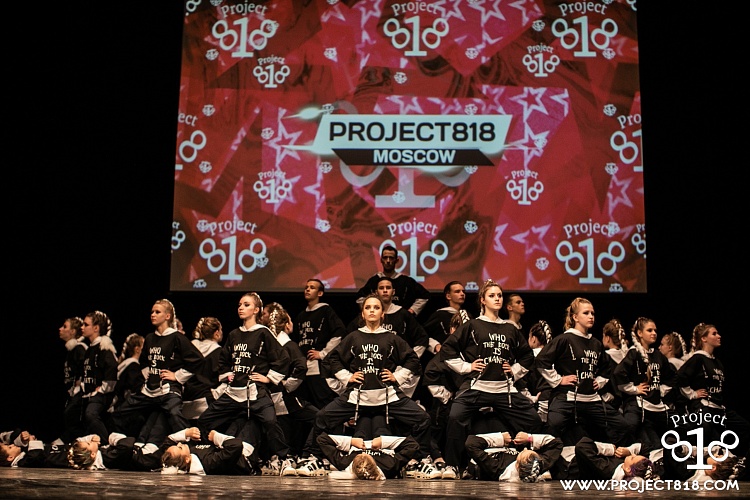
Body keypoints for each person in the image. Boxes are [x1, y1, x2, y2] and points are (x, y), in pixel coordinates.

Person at [313, 294, 434, 474]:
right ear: (362, 314)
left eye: (376, 308)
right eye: (368, 307)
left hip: (387, 396)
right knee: (322, 417)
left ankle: (418, 460)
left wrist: (397, 376)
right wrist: (347, 377)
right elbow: (332, 359)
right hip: (357, 396)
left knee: (423, 419)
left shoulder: (391, 338)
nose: (372, 311)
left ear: (382, 314)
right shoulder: (353, 337)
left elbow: (413, 360)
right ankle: (313, 457)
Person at [439, 279, 543, 479]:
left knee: (533, 419)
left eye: (499, 295)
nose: (497, 299)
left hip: (504, 390)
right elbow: (448, 349)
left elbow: (527, 356)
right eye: (492, 295)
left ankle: (532, 463)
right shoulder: (472, 326)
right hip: (478, 387)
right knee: (455, 417)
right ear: (482, 300)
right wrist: (467, 367)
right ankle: (452, 466)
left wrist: (514, 370)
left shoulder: (510, 328)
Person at [197, 292, 294, 475]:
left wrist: (268, 378)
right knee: (205, 419)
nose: (241, 307)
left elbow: (282, 358)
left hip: (255, 392)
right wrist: (228, 375)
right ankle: (205, 455)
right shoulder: (234, 334)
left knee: (270, 422)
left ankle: (284, 458)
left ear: (256, 310)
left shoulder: (263, 332)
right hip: (234, 392)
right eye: (240, 304)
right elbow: (224, 359)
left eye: (246, 304)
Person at [535, 297, 630, 447]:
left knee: (622, 425)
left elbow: (606, 368)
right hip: (568, 396)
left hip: (591, 399)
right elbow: (541, 360)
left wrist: (599, 382)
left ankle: (610, 455)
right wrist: (558, 380)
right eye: (586, 313)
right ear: (575, 317)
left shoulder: (596, 343)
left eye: (592, 313)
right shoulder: (565, 339)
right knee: (554, 425)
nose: (591, 316)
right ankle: (550, 457)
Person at [112, 299, 204, 439]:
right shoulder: (150, 338)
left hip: (168, 389)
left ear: (167, 316)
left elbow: (198, 360)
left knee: (175, 415)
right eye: (152, 312)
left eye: (157, 312)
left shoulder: (177, 337)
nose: (153, 315)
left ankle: (188, 446)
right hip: (149, 390)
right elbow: (143, 361)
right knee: (119, 413)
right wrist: (147, 376)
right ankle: (120, 443)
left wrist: (177, 376)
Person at [262, 302, 321, 474]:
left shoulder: (266, 344)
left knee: (283, 428)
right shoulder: (289, 345)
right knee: (319, 417)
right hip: (283, 397)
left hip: (269, 396)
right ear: (287, 324)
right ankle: (305, 455)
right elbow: (301, 366)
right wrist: (288, 385)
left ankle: (282, 458)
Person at [675, 323, 750, 456]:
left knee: (744, 426)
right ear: (704, 338)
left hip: (718, 407)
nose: (719, 336)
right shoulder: (698, 358)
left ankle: (737, 458)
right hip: (705, 406)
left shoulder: (717, 362)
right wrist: (692, 394)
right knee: (706, 433)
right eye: (714, 334)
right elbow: (680, 377)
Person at [613, 317, 676, 451]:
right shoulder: (634, 353)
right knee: (630, 427)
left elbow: (672, 376)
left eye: (655, 330)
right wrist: (634, 389)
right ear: (640, 333)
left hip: (656, 406)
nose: (654, 333)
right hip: (639, 405)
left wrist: (660, 390)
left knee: (678, 426)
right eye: (649, 330)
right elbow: (618, 373)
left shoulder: (658, 355)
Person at [293, 279, 348, 410]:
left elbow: (339, 332)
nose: (307, 289)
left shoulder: (325, 310)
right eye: (306, 287)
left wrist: (323, 353)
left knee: (323, 401)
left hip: (318, 368)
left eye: (312, 287)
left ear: (320, 293)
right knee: (304, 404)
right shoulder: (301, 315)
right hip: (303, 368)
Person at [68, 311, 118, 443]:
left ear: (96, 328)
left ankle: (106, 443)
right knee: (73, 413)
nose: (82, 327)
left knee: (90, 414)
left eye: (86, 324)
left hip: (101, 395)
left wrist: (103, 389)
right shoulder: (90, 348)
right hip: (88, 393)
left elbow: (112, 368)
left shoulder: (104, 347)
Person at [356, 245, 431, 317]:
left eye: (391, 258)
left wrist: (411, 311)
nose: (388, 261)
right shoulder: (374, 281)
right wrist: (369, 312)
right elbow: (360, 298)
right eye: (385, 257)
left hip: (400, 321)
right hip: (378, 320)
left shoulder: (406, 281)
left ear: (396, 260)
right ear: (381, 260)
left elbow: (424, 296)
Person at [316, 431, 426, 480]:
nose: (364, 453)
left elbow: (322, 439)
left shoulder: (344, 463)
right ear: (374, 463)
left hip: (360, 438)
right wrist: (383, 441)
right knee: (379, 417)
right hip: (381, 439)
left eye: (360, 455)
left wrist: (351, 441)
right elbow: (412, 445)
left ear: (353, 466)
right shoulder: (388, 466)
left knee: (364, 418)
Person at [463, 430, 563, 482]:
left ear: (518, 464)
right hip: (507, 448)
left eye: (524, 453)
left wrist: (500, 438)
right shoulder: (537, 465)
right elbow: (557, 443)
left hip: (489, 451)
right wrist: (529, 438)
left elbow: (471, 444)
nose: (525, 449)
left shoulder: (496, 467)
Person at [159, 427, 257, 475]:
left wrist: (186, 433)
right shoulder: (209, 462)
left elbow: (167, 443)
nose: (179, 443)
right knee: (251, 423)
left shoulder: (180, 459)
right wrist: (216, 437)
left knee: (238, 419)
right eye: (180, 448)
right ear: (187, 459)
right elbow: (236, 445)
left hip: (225, 445)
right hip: (245, 455)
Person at [182, 317, 224, 422]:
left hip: (185, 401)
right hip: (205, 404)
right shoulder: (220, 353)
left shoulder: (189, 348)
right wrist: (214, 395)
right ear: (217, 332)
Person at [573, 435, 663, 481]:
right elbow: (645, 448)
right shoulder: (638, 469)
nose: (633, 455)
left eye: (632, 458)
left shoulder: (606, 469)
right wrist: (629, 450)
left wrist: (610, 449)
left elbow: (582, 446)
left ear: (628, 469)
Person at [422, 281, 472, 356]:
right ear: (448, 296)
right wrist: (435, 346)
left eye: (463, 291)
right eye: (457, 291)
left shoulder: (468, 316)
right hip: (445, 356)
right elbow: (422, 334)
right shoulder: (440, 315)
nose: (462, 294)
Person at [58, 316, 87, 444]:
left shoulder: (79, 348)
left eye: (65, 327)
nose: (60, 329)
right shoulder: (71, 350)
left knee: (70, 414)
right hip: (72, 391)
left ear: (73, 331)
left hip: (81, 391)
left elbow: (85, 367)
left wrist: (79, 384)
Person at [109, 333, 145, 414]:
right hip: (122, 406)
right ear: (137, 349)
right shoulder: (133, 366)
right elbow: (132, 388)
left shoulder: (125, 363)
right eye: (144, 346)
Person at [0, 429, 69, 468]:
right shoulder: (22, 463)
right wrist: (32, 441)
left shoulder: (22, 456)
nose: (12, 445)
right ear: (10, 457)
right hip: (65, 458)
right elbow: (35, 456)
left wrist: (24, 438)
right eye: (9, 447)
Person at [658, 331, 689, 415]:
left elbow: (671, 387)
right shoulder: (683, 364)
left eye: (662, 344)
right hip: (684, 407)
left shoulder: (669, 365)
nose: (659, 347)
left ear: (670, 347)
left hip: (673, 407)